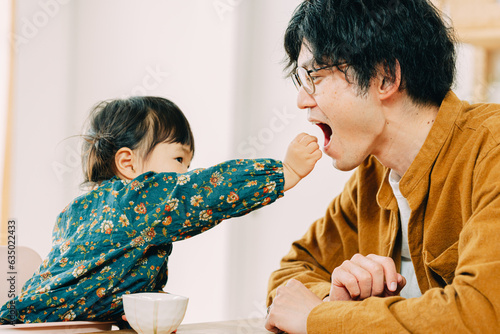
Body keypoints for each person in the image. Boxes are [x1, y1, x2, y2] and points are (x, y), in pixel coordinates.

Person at [265, 0, 500, 333]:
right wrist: (332, 299)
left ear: (386, 76)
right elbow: (289, 281)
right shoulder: (372, 176)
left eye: (314, 76)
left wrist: (319, 319)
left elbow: (480, 315)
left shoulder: (492, 151)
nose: (302, 100)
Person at [0, 96, 321, 327]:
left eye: (189, 165)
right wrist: (283, 171)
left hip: (28, 319)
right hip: (39, 328)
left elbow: (95, 279)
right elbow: (203, 192)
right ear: (129, 163)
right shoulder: (134, 200)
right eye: (179, 160)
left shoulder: (77, 211)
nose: (185, 174)